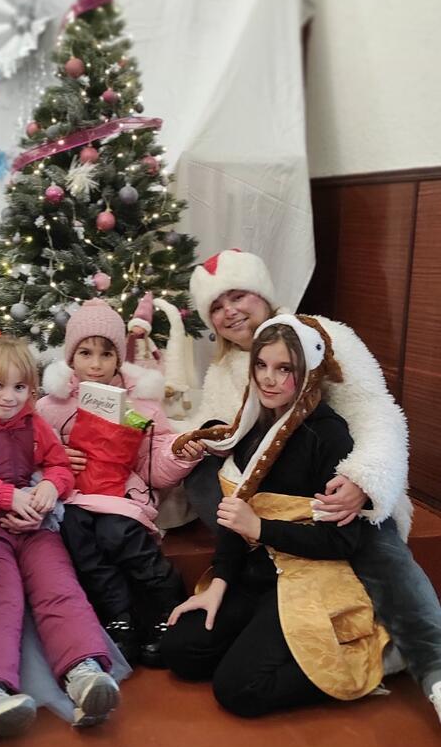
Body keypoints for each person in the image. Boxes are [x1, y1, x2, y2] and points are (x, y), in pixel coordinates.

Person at [184, 249, 441, 722]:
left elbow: (375, 410)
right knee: (208, 483)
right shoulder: (223, 369)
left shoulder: (322, 335)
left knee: (379, 550)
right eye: (216, 306)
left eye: (238, 296)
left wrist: (364, 478)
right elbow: (218, 429)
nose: (229, 312)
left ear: (262, 294)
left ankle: (431, 668)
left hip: (333, 490)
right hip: (271, 519)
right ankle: (261, 608)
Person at [163, 316, 388, 717]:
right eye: (262, 365)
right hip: (256, 576)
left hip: (309, 578)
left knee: (238, 690)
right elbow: (234, 516)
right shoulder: (251, 426)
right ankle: (259, 641)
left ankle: (372, 662)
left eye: (285, 369)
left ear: (308, 373)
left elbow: (343, 540)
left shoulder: (329, 435)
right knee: (181, 651)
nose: (269, 379)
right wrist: (220, 582)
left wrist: (260, 527)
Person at [0, 336, 122, 746]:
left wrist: (50, 488)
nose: (9, 397)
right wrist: (8, 496)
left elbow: (59, 466)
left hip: (35, 527)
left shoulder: (34, 424)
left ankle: (84, 672)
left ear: (31, 390)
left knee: (60, 587)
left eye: (19, 387)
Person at [37, 298, 204, 666]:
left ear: (118, 358)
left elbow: (154, 465)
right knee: (76, 531)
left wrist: (179, 453)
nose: (96, 364)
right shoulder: (51, 406)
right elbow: (32, 456)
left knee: (115, 531)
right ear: (71, 358)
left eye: (106, 354)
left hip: (123, 496)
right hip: (74, 496)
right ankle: (119, 618)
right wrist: (56, 457)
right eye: (85, 353)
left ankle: (166, 601)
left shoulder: (143, 404)